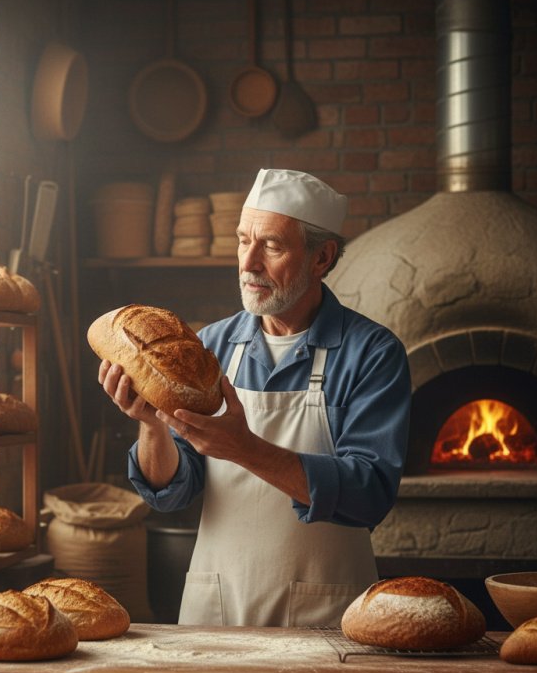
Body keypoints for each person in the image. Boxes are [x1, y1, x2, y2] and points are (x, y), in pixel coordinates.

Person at [97, 168, 411, 627]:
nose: (248, 263)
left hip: (328, 618)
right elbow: (171, 492)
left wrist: (246, 450)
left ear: (321, 258)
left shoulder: (372, 353)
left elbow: (369, 494)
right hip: (218, 608)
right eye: (244, 241)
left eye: (272, 246)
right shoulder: (210, 346)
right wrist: (151, 425)